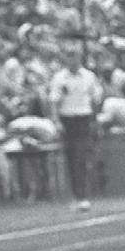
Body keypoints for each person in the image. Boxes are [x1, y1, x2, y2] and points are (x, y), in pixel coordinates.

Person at [48, 44, 103, 211]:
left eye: (75, 56)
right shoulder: (59, 78)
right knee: (71, 158)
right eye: (69, 56)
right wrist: (56, 121)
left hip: (83, 119)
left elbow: (96, 98)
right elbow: (54, 101)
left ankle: (82, 195)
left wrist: (94, 119)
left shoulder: (88, 76)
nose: (72, 59)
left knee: (81, 157)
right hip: (67, 120)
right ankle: (76, 195)